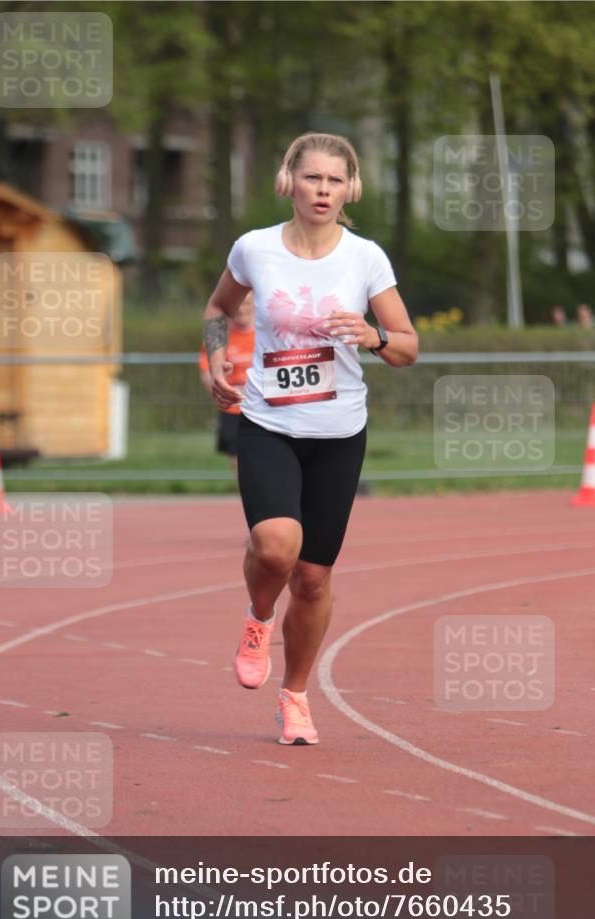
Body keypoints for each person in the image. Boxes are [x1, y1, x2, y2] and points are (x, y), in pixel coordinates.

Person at [202, 132, 418, 746]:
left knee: (315, 578)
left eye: (334, 180)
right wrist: (218, 358)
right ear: (288, 181)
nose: (323, 190)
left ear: (350, 188)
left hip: (339, 431)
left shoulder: (365, 258)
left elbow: (407, 345)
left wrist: (373, 337)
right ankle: (257, 618)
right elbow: (219, 309)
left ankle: (294, 697)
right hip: (269, 421)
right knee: (276, 548)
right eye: (312, 178)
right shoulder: (256, 249)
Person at [199, 292, 255, 475]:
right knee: (237, 459)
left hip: (261, 407)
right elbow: (207, 370)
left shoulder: (266, 332)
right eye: (239, 304)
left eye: (247, 304)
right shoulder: (221, 335)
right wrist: (219, 390)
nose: (243, 309)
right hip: (233, 408)